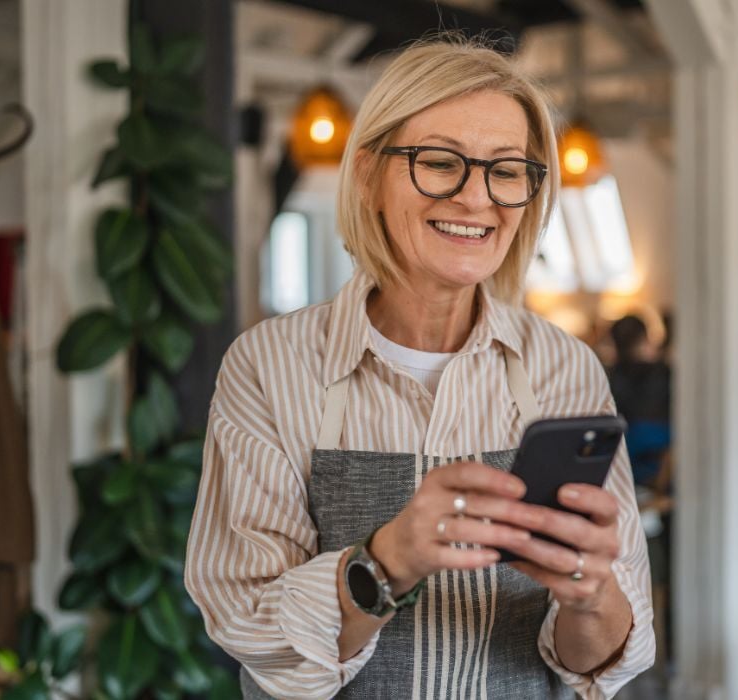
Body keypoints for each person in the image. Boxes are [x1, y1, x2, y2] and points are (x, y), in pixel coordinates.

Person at [184, 36, 654, 699]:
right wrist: (386, 561)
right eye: (439, 162)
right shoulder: (270, 365)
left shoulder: (564, 368)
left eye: (506, 170)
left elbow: (595, 663)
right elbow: (256, 633)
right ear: (369, 175)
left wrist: (590, 595)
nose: (476, 198)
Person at [606, 315, 670, 487]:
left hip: (623, 457)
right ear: (645, 338)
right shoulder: (664, 371)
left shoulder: (609, 376)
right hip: (661, 458)